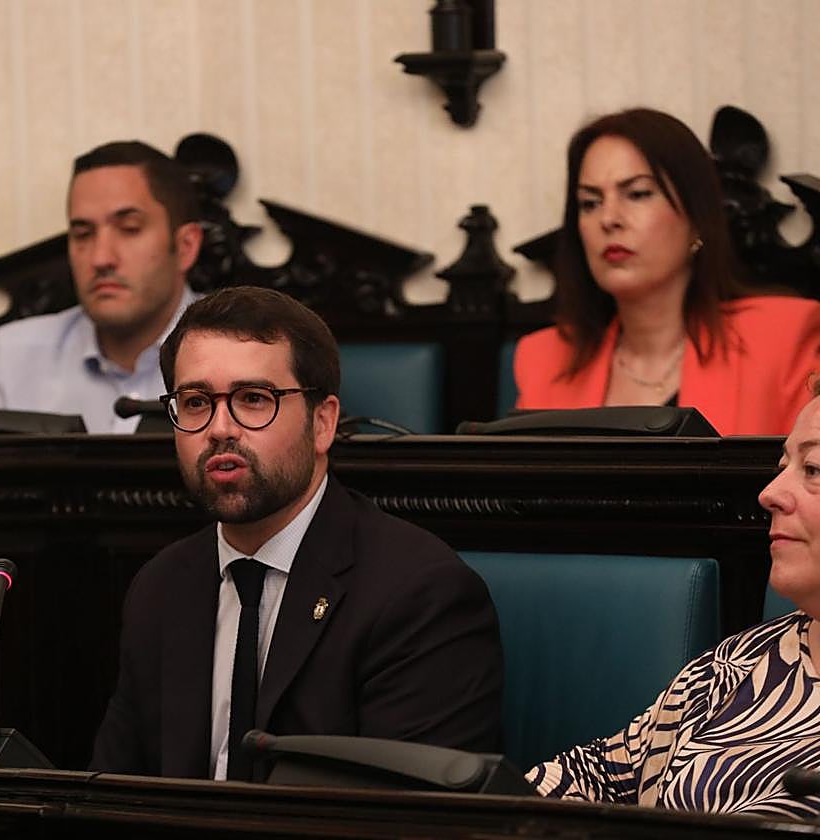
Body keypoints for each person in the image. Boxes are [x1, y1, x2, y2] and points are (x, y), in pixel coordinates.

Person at [90, 285, 503, 781]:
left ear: (323, 422)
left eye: (253, 399)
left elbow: (409, 813)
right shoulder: (160, 587)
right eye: (196, 402)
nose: (219, 428)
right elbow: (114, 791)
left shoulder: (419, 594)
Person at [528, 379, 820, 819]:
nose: (769, 493)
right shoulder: (736, 664)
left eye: (813, 469)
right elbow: (596, 777)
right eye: (783, 465)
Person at [513, 107, 820, 436]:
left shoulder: (782, 338)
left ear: (696, 219)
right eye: (590, 203)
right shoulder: (544, 359)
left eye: (637, 194)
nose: (608, 219)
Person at [0, 140, 204, 433]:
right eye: (83, 234)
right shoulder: (13, 358)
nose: (100, 258)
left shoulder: (240, 353)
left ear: (186, 247)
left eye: (129, 229)